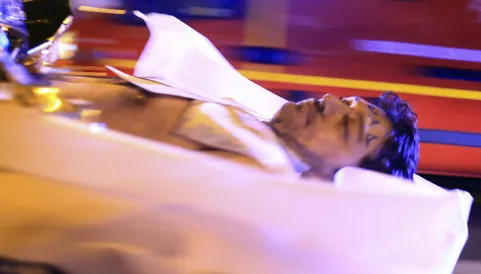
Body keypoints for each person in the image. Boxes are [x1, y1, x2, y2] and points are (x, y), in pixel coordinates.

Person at [56, 75, 420, 182]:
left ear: (333, 178)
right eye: (346, 102)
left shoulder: (258, 171)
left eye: (347, 127)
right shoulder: (263, 136)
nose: (329, 101)